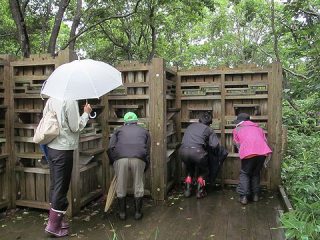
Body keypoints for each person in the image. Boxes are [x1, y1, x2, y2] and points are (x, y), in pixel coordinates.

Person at [44, 98, 92, 237]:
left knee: (55, 184)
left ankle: (59, 220)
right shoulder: (69, 101)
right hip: (63, 149)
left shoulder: (51, 99)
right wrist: (86, 113)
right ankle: (53, 226)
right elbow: (75, 127)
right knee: (62, 186)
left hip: (51, 147)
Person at [107, 112, 151, 220]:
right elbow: (147, 150)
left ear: (125, 122)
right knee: (138, 184)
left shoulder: (118, 130)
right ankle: (138, 213)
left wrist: (113, 161)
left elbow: (110, 147)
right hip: (138, 158)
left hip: (121, 158)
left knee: (121, 184)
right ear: (136, 121)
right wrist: (146, 164)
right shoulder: (144, 131)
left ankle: (122, 214)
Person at [232, 113, 272, 205]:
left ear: (240, 122)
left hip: (248, 153)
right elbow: (264, 141)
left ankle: (244, 197)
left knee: (244, 173)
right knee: (255, 173)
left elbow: (236, 144)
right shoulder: (259, 129)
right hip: (262, 153)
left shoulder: (237, 129)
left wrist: (242, 151)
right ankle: (255, 196)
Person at [179, 112, 220, 199]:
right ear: (210, 123)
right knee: (204, 172)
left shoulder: (190, 126)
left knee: (189, 170)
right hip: (198, 153)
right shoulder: (208, 129)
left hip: (183, 151)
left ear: (199, 120)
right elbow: (215, 145)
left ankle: (187, 190)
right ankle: (200, 191)